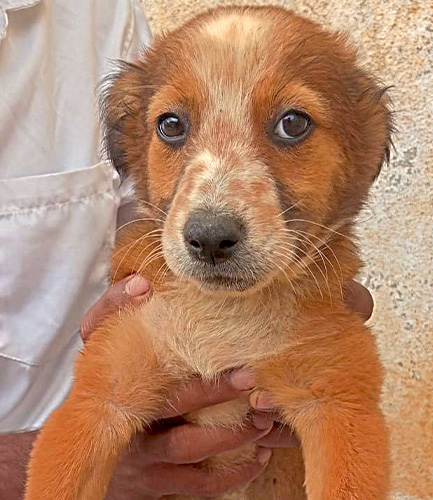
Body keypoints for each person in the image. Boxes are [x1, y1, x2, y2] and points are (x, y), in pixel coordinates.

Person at [0, 0, 374, 498]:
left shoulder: (100, 15)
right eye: (173, 126)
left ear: (366, 150)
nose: (212, 219)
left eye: (292, 124)